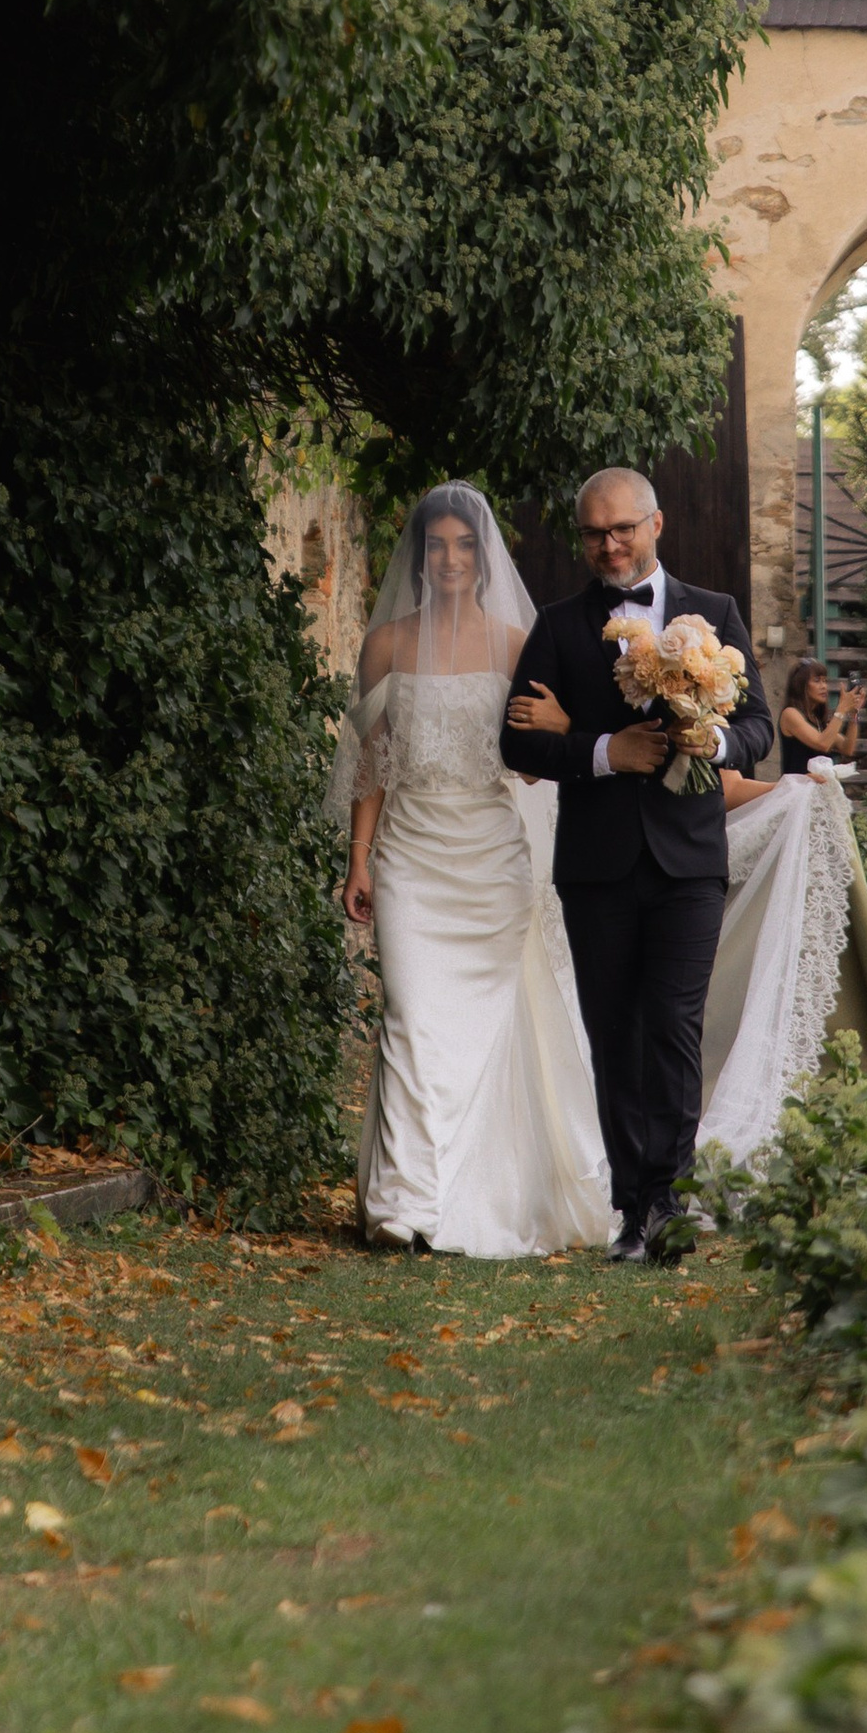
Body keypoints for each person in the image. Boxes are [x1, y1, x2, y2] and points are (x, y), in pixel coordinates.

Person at [498, 468, 774, 1263]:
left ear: (656, 524)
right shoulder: (557, 625)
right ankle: (630, 1212)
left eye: (620, 528)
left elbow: (756, 724)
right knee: (614, 1034)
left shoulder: (715, 615)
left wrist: (715, 743)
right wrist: (600, 749)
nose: (607, 545)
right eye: (592, 533)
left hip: (689, 860)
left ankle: (671, 1208)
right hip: (597, 864)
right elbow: (516, 742)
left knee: (675, 1032)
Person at [333, 486, 613, 1258]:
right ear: (418, 556)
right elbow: (371, 762)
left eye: (464, 545)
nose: (451, 559)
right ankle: (405, 1203)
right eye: (436, 546)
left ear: (483, 556)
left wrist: (553, 741)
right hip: (410, 858)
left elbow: (539, 759)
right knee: (413, 1019)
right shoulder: (386, 643)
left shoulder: (518, 642)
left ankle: (470, 1193)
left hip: (491, 858)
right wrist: (358, 859)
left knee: (480, 1028)